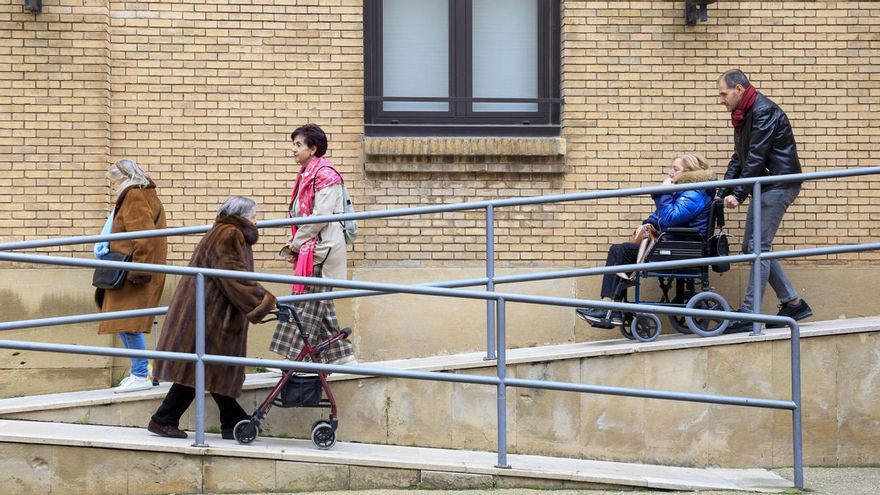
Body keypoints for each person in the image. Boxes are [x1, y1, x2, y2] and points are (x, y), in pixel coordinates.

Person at [148, 197, 277, 439]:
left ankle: (229, 421)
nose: (257, 220)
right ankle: (167, 418)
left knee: (206, 364)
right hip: (212, 312)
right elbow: (231, 275)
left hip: (209, 309)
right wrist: (262, 300)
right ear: (242, 215)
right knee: (208, 362)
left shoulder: (224, 231)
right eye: (254, 215)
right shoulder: (229, 234)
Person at [716, 69, 812, 333]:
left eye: (723, 94)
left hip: (778, 184)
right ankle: (792, 302)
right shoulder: (743, 115)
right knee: (752, 247)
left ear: (739, 89)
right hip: (765, 185)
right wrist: (721, 191)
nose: (720, 100)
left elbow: (757, 157)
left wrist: (738, 194)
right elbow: (740, 158)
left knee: (757, 246)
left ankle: (750, 314)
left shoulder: (763, 111)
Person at [576, 154, 716, 328]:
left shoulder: (694, 193)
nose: (670, 172)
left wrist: (663, 193)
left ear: (689, 173)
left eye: (675, 169)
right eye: (671, 168)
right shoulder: (687, 190)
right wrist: (648, 224)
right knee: (622, 251)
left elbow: (670, 218)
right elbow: (661, 216)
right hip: (675, 245)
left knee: (620, 251)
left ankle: (609, 308)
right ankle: (611, 309)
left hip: (680, 249)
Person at [270, 124, 355, 365]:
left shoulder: (326, 175)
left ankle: (292, 359)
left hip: (320, 249)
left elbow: (319, 217)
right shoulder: (307, 174)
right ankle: (343, 355)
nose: (293, 150)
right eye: (294, 144)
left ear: (313, 148)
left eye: (298, 145)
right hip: (312, 247)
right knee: (320, 303)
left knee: (304, 303)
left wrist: (295, 244)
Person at [94, 159, 167, 393]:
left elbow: (144, 237)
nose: (114, 185)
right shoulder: (141, 194)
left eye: (116, 179)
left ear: (126, 177)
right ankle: (140, 370)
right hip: (130, 270)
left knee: (129, 323)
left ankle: (140, 373)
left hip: (132, 272)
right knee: (124, 322)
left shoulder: (134, 195)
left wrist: (141, 271)